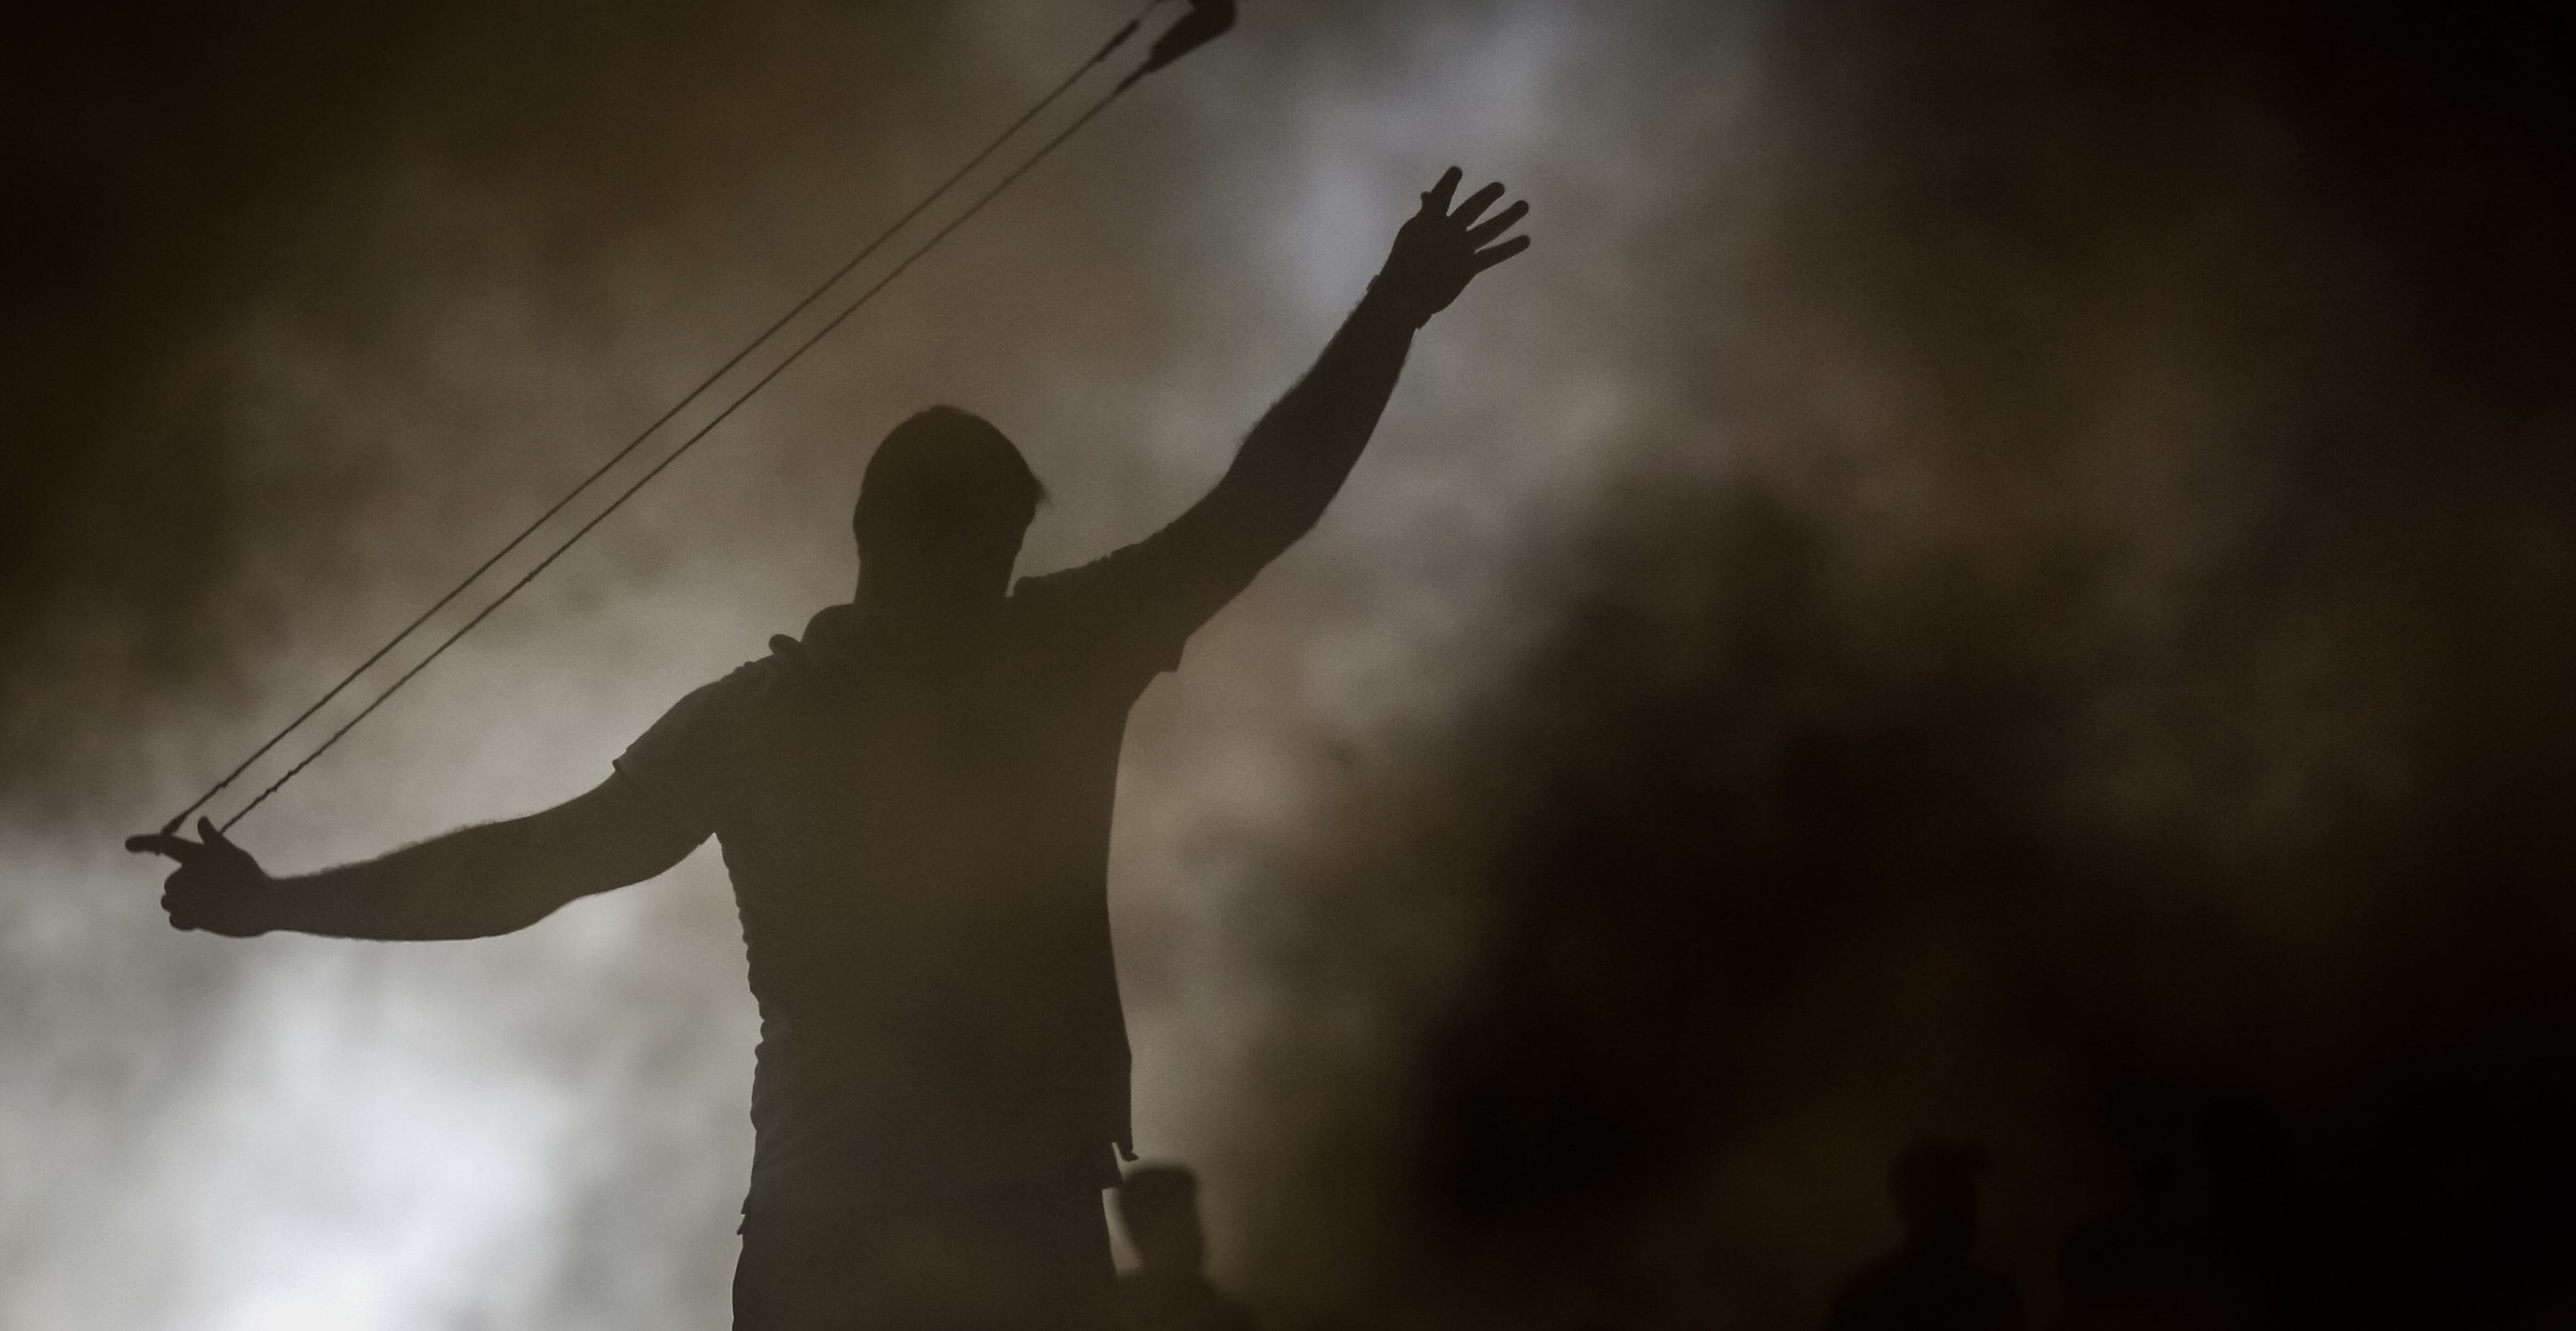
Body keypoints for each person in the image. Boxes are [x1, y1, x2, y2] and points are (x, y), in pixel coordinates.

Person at [128, 166, 1531, 1331]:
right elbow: (535, 865)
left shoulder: (985, 665)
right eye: (975, 554)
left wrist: (1393, 313)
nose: (983, 584)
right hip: (874, 1237)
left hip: (926, 1229)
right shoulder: (845, 699)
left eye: (998, 560)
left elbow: (1257, 506)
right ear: (895, 547)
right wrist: (280, 900)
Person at [1824, 1143, 2026, 1331]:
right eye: (1958, 1195)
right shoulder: (1989, 1300)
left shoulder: (1860, 1298)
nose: (1972, 1210)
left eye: (1969, 1196)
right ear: (1917, 1204)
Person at [1112, 1164, 1255, 1331]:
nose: (1196, 1236)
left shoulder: (1230, 1316)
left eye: (1194, 1222)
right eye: (1179, 1227)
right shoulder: (1226, 1317)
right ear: (1140, 1236)